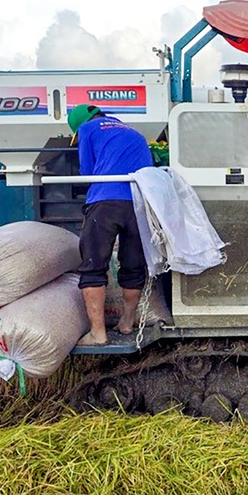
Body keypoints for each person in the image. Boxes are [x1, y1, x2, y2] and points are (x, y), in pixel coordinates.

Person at [69, 104, 169, 346]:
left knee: (93, 266)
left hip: (104, 201)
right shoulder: (134, 132)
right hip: (137, 203)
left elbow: (88, 172)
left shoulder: (88, 128)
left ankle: (98, 333)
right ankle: (126, 322)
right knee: (133, 264)